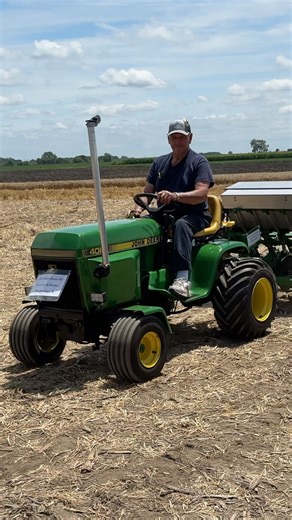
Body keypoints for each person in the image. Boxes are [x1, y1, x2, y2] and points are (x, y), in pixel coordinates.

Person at [129, 118, 214, 299]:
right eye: (174, 137)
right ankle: (141, 272)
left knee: (181, 225)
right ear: (168, 140)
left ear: (190, 138)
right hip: (164, 214)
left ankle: (182, 279)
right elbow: (147, 192)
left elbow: (201, 194)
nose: (178, 141)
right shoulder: (159, 163)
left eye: (181, 137)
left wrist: (176, 196)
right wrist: (137, 211)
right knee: (140, 227)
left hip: (194, 214)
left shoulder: (199, 163)